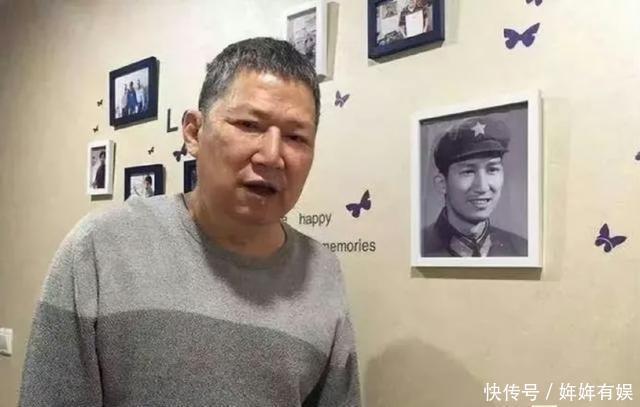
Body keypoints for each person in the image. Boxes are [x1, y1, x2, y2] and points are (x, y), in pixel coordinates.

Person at [20, 37, 361, 406]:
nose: (272, 155)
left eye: (296, 137)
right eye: (250, 125)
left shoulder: (322, 272)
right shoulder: (99, 249)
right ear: (194, 132)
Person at [422, 116, 527, 257]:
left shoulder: (521, 249)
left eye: (492, 169)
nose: (482, 187)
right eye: (468, 172)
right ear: (442, 184)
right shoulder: (418, 248)